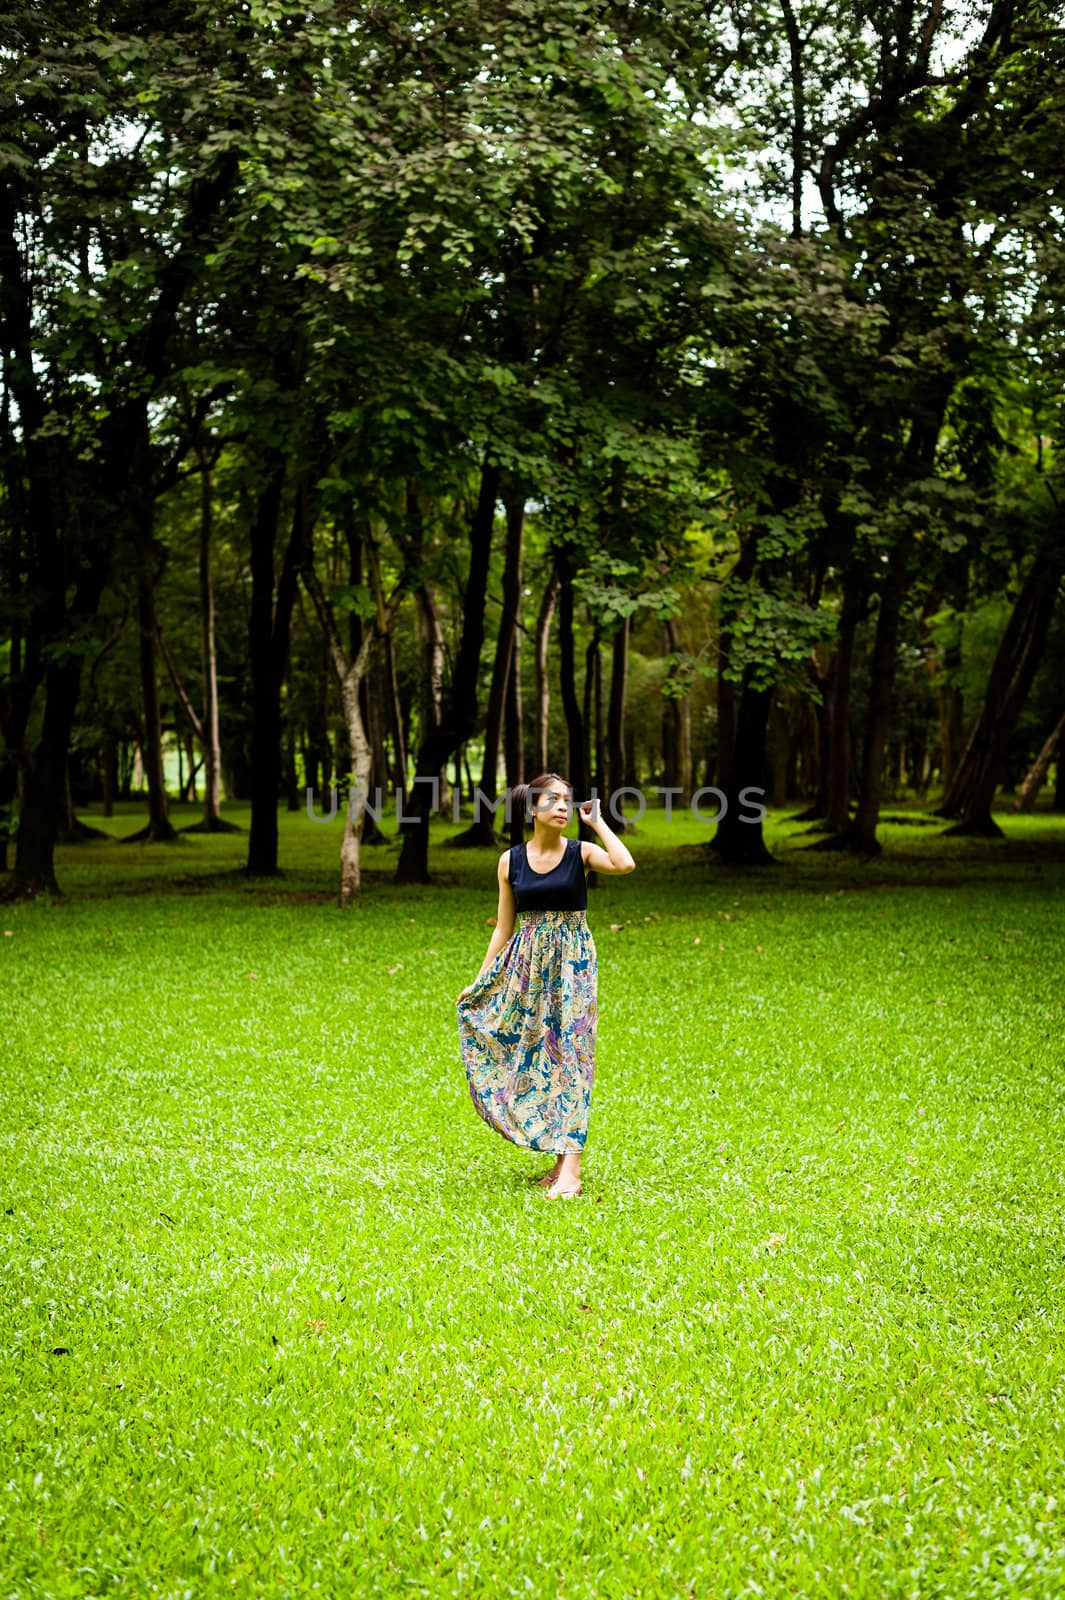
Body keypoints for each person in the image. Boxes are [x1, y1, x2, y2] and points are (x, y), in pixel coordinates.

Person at [455, 772, 635, 1200]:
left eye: (567, 800)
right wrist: (481, 980)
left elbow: (625, 864)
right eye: (552, 800)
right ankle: (559, 1159)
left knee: (572, 1054)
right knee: (539, 1053)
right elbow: (503, 927)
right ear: (532, 809)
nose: (562, 807)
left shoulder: (582, 853)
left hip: (572, 965)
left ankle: (572, 1168)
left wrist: (598, 823)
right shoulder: (510, 861)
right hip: (526, 969)